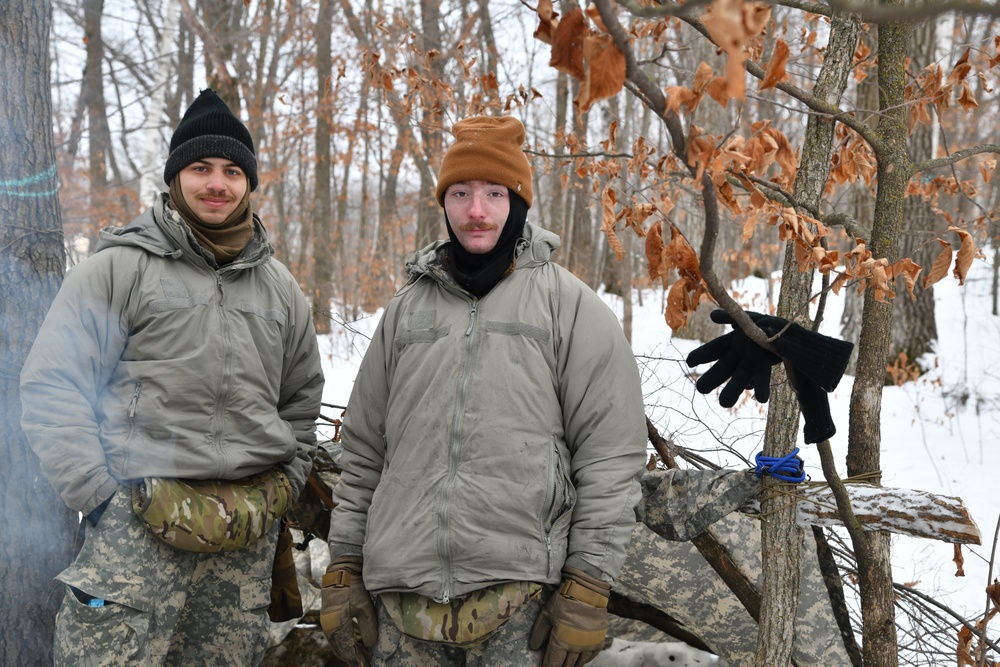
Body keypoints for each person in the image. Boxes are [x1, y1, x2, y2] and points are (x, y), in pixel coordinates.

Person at [320, 115, 648, 667]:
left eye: (494, 194)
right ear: (443, 203)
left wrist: (588, 585)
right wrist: (345, 566)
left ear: (517, 203)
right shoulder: (405, 311)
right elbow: (364, 450)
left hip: (521, 604)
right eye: (461, 193)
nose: (477, 211)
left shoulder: (568, 305)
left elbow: (610, 454)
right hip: (402, 604)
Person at [19, 88, 324, 666]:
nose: (217, 183)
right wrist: (99, 492)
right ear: (175, 176)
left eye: (233, 170)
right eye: (201, 167)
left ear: (249, 182)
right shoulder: (118, 268)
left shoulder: (281, 289)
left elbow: (302, 398)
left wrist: (286, 480)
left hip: (246, 533)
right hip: (134, 530)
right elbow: (53, 386)